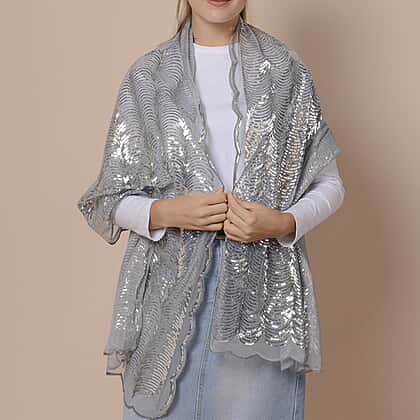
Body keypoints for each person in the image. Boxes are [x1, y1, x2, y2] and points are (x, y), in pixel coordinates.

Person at [77, 1, 345, 419]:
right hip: (167, 292)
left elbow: (330, 184)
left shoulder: (284, 70)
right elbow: (108, 198)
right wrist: (167, 212)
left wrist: (283, 223)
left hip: (262, 297)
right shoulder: (149, 77)